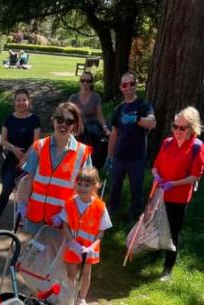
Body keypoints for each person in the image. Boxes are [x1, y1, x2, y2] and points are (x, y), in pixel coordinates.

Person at [19, 102, 93, 234]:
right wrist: (22, 204)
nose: (63, 124)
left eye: (69, 121)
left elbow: (85, 191)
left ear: (74, 125)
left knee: (56, 254)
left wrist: (66, 215)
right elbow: (28, 180)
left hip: (62, 222)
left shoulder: (82, 153)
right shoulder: (39, 146)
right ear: (53, 120)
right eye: (59, 119)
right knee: (34, 253)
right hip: (36, 218)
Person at [151, 106, 204, 281]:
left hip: (179, 197)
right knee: (156, 226)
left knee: (173, 231)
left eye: (182, 128)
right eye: (175, 126)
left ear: (192, 128)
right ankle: (151, 255)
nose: (178, 131)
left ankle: (168, 268)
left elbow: (195, 176)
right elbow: (155, 167)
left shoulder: (197, 146)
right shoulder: (167, 142)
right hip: (160, 194)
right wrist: (157, 177)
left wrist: (174, 184)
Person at [61, 167, 112, 305]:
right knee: (71, 274)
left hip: (89, 248)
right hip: (73, 246)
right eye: (80, 184)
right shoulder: (70, 203)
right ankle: (69, 298)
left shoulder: (100, 206)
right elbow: (64, 225)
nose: (82, 188)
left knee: (85, 273)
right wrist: (72, 242)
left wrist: (94, 245)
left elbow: (101, 231)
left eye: (87, 185)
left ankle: (81, 299)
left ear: (95, 186)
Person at [0, 88, 41, 225]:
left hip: (30, 159)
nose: (21, 103)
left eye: (24, 100)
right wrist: (13, 148)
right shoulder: (9, 119)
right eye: (18, 100)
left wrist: (25, 157)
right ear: (14, 102)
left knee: (28, 188)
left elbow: (36, 142)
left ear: (29, 102)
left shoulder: (35, 119)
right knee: (7, 187)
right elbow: (3, 140)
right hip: (11, 158)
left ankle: (24, 217)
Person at [106, 71, 156, 218]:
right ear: (121, 87)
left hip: (137, 157)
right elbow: (114, 134)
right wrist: (109, 155)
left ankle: (135, 216)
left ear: (136, 85)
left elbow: (152, 123)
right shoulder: (118, 110)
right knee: (114, 186)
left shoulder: (143, 105)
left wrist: (136, 119)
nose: (128, 87)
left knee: (136, 189)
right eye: (125, 85)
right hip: (119, 156)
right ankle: (111, 212)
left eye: (131, 84)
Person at [69, 71, 110, 167]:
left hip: (91, 129)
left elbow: (100, 115)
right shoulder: (73, 98)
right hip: (77, 128)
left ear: (91, 83)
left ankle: (93, 164)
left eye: (88, 81)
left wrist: (105, 128)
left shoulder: (95, 97)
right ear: (80, 82)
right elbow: (68, 115)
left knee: (98, 138)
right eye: (83, 81)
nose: (85, 83)